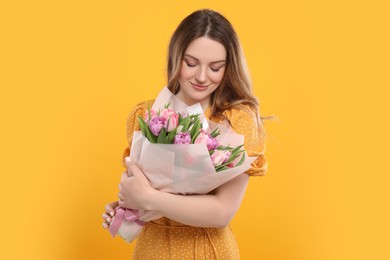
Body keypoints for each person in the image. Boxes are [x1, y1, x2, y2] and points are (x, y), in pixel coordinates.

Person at [102, 9, 268, 259]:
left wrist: (149, 198)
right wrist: (127, 208)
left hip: (206, 250)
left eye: (215, 67)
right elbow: (141, 190)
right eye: (191, 63)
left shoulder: (237, 120)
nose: (202, 77)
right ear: (175, 57)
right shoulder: (145, 115)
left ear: (229, 67)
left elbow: (222, 212)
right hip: (152, 249)